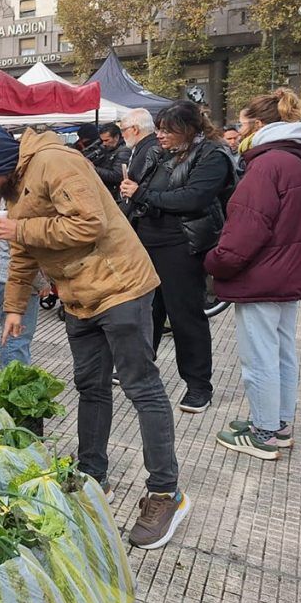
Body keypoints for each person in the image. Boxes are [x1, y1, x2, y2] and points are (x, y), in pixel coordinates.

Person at [0, 118, 188, 551]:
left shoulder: (56, 162)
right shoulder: (15, 182)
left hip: (120, 286)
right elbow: (24, 252)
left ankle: (165, 493)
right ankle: (91, 476)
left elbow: (90, 224)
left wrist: (20, 229)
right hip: (77, 295)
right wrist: (12, 308)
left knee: (142, 389)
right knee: (90, 387)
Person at [208, 89, 301, 459]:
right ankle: (278, 423)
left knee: (259, 358)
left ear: (258, 125)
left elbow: (247, 228)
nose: (239, 132)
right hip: (288, 273)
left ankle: (264, 432)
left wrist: (215, 261)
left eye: (242, 125)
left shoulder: (268, 164)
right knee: (282, 353)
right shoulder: (297, 158)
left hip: (263, 275)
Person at [119, 101, 232, 414]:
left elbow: (194, 197)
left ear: (190, 129)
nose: (160, 135)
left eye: (168, 129)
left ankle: (198, 386)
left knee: (185, 317)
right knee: (146, 312)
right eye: (158, 128)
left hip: (182, 246)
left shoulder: (212, 154)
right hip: (148, 243)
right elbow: (145, 191)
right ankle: (141, 372)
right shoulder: (161, 153)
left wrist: (142, 194)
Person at [0, 194, 46, 367]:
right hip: (13, 278)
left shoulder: (7, 202)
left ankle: (11, 378)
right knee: (17, 336)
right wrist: (41, 282)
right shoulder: (20, 208)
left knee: (12, 333)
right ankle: (13, 383)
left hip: (0, 273)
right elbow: (22, 254)